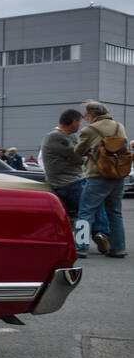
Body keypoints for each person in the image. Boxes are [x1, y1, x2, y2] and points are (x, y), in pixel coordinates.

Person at [41, 109, 108, 254]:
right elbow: (79, 157)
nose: (80, 126)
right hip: (68, 183)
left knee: (88, 208)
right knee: (89, 209)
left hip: (71, 181)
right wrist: (83, 157)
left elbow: (77, 157)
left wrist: (80, 157)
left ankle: (98, 234)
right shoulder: (57, 136)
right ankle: (98, 235)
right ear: (73, 121)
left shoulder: (67, 136)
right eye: (79, 122)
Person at [74, 100, 129, 258]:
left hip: (98, 175)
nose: (86, 119)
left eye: (86, 116)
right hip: (118, 175)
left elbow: (78, 151)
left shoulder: (89, 130)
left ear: (91, 115)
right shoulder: (120, 127)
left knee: (85, 212)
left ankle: (81, 247)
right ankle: (118, 248)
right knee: (115, 212)